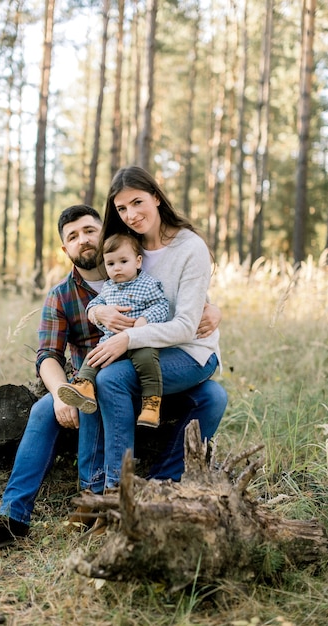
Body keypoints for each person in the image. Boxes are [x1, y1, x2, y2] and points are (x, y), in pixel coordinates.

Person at [0, 203, 226, 551]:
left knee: (214, 397)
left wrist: (213, 308)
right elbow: (47, 356)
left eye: (90, 230)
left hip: (149, 373)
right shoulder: (61, 296)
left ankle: (160, 485)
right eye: (73, 237)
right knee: (45, 409)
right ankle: (13, 517)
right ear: (65, 249)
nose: (83, 240)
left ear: (104, 232)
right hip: (89, 384)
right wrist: (59, 393)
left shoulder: (141, 263)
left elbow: (185, 297)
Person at [80, 165, 222, 491]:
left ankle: (119, 492)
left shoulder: (190, 247)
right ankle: (97, 488)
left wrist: (128, 338)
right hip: (149, 347)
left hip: (190, 350)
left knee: (112, 378)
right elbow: (105, 298)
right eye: (121, 208)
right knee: (94, 379)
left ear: (156, 198)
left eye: (137, 202)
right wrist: (99, 312)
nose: (131, 214)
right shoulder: (127, 247)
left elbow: (187, 324)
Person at [57, 232, 169, 428]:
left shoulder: (148, 284)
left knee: (148, 362)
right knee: (94, 357)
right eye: (110, 264)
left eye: (123, 261)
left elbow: (162, 305)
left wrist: (145, 319)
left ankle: (151, 404)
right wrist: (98, 311)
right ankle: (84, 386)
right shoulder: (108, 287)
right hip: (111, 342)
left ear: (138, 261)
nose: (117, 268)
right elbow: (93, 306)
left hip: (140, 339)